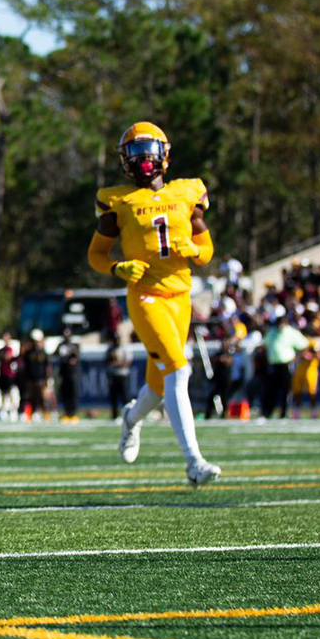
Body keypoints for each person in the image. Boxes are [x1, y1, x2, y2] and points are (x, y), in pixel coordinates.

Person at [88, 121, 222, 486]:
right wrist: (118, 267)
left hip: (181, 298)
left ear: (165, 153)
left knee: (160, 385)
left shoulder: (187, 193)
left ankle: (131, 419)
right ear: (124, 159)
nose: (143, 159)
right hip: (146, 296)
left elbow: (207, 250)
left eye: (148, 150)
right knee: (179, 368)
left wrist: (193, 250)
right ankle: (194, 462)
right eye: (134, 151)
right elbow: (96, 254)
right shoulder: (119, 201)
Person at [19, 329, 51, 422]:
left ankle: (43, 412)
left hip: (41, 378)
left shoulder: (43, 352)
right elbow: (24, 365)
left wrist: (47, 378)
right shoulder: (28, 352)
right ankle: (31, 412)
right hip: (30, 378)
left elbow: (47, 366)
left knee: (41, 397)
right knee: (30, 397)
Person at [54, 330, 81, 422]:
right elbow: (55, 355)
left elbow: (76, 356)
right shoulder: (61, 346)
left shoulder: (74, 346)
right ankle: (66, 412)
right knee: (64, 393)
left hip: (73, 373)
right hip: (63, 373)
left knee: (73, 394)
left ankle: (73, 412)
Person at [0, 332, 21, 421]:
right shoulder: (1, 350)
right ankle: (4, 410)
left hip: (11, 375)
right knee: (3, 394)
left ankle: (13, 410)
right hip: (3, 374)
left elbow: (11, 359)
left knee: (12, 393)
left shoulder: (13, 349)